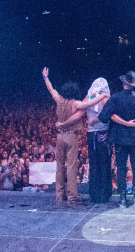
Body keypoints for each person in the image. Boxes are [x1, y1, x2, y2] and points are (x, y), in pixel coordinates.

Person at [43, 67, 105, 204]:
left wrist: (46, 77)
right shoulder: (75, 103)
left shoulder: (59, 100)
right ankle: (72, 196)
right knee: (71, 166)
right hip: (71, 136)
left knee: (59, 166)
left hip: (59, 137)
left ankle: (60, 195)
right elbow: (89, 103)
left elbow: (51, 89)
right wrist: (102, 95)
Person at [99, 71, 135, 208]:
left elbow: (103, 117)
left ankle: (122, 199)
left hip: (119, 139)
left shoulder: (115, 98)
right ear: (134, 85)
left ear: (124, 83)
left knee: (121, 168)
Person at [58, 78, 113, 203]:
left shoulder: (88, 98)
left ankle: (94, 194)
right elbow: (109, 115)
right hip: (104, 135)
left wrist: (63, 124)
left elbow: (78, 115)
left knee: (94, 164)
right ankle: (105, 194)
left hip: (91, 134)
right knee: (104, 164)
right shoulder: (106, 98)